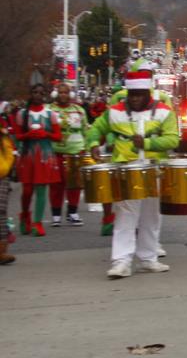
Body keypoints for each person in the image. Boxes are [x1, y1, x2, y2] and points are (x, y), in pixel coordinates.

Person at [87, 65, 179, 278]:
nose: (135, 99)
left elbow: (173, 139)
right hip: (126, 170)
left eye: (139, 95)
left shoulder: (164, 112)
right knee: (125, 216)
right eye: (132, 95)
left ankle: (148, 259)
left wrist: (146, 143)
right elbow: (96, 128)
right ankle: (121, 261)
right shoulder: (115, 112)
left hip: (153, 169)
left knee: (151, 217)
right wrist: (93, 142)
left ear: (148, 93)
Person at [13, 83, 62, 237]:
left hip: (45, 155)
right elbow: (17, 136)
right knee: (27, 190)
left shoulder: (50, 114)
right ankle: (25, 216)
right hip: (28, 155)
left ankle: (37, 223)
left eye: (41, 93)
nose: (37, 95)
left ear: (45, 95)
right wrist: (28, 136)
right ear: (30, 94)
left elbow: (58, 136)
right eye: (34, 92)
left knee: (41, 189)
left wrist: (45, 134)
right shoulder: (22, 114)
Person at [49, 83, 89, 226]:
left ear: (70, 94)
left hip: (75, 152)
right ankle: (56, 215)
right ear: (56, 94)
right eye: (61, 92)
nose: (63, 95)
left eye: (66, 92)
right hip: (56, 153)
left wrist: (87, 148)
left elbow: (85, 130)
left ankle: (72, 212)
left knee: (74, 185)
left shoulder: (79, 110)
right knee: (56, 184)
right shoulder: (49, 110)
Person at [0, 102, 16, 264]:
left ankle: (2, 250)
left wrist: (7, 167)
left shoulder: (2, 125)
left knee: (1, 211)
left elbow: (8, 148)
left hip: (2, 174)